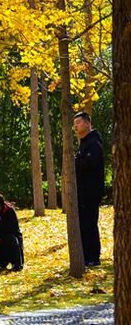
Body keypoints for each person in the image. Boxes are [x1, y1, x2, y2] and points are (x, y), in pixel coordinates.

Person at [73, 111, 105, 267]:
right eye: (74, 124)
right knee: (83, 224)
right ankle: (86, 256)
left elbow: (90, 165)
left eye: (78, 123)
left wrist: (75, 162)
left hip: (90, 192)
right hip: (82, 192)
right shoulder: (84, 143)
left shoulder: (93, 143)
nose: (75, 127)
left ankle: (93, 257)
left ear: (87, 123)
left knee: (89, 224)